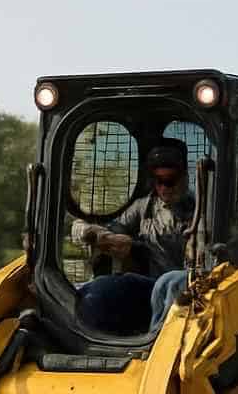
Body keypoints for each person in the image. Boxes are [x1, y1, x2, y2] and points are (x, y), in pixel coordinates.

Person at [71, 140, 193, 334]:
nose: (164, 187)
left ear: (184, 178)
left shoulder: (199, 210)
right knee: (98, 290)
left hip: (185, 293)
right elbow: (111, 228)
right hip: (149, 287)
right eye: (158, 181)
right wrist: (99, 236)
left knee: (170, 282)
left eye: (170, 180)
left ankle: (159, 341)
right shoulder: (144, 207)